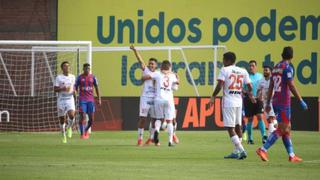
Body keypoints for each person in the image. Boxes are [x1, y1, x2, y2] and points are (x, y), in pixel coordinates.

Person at [256, 46, 308, 162]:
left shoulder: (275, 68)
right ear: (292, 56)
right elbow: (291, 85)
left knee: (286, 129)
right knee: (282, 128)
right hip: (284, 102)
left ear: (281, 55)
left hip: (275, 101)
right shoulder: (288, 68)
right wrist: (300, 100)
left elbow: (270, 86)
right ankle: (263, 149)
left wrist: (269, 101)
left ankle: (291, 155)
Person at [210, 52, 255, 159]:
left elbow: (220, 85)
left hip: (229, 102)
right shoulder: (242, 71)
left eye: (224, 59)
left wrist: (213, 96)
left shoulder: (225, 70)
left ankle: (241, 150)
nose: (222, 62)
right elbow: (250, 86)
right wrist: (249, 94)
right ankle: (236, 152)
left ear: (228, 60)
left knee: (230, 128)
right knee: (238, 126)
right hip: (239, 102)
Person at [143, 60, 179, 147]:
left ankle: (157, 131)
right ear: (169, 67)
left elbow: (146, 77)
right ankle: (170, 141)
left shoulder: (157, 73)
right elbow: (177, 83)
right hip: (169, 100)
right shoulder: (172, 75)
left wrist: (147, 78)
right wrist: (174, 76)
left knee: (158, 119)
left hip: (158, 99)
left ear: (161, 67)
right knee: (169, 121)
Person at [130, 45, 158, 146]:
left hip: (155, 99)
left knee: (154, 120)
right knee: (143, 119)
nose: (150, 65)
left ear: (156, 66)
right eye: (149, 63)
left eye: (152, 64)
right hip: (145, 98)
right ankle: (140, 139)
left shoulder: (159, 74)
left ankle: (151, 138)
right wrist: (135, 50)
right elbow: (140, 60)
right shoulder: (145, 70)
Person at [75, 63, 101, 139]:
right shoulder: (79, 78)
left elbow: (97, 87)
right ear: (83, 69)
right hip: (82, 100)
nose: (87, 70)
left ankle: (86, 130)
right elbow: (75, 87)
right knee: (82, 117)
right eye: (86, 68)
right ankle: (82, 134)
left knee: (92, 120)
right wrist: (75, 94)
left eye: (89, 69)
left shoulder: (93, 77)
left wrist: (99, 98)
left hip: (90, 100)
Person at [243, 60, 267, 144]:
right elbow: (243, 89)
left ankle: (264, 137)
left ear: (256, 67)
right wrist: (250, 96)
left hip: (258, 99)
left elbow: (264, 87)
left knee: (260, 116)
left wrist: (261, 95)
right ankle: (250, 139)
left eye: (253, 65)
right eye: (250, 66)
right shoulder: (246, 77)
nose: (251, 67)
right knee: (250, 119)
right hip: (248, 99)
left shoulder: (260, 76)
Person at [54, 61, 76, 143]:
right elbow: (55, 89)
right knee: (62, 120)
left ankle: (69, 127)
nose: (67, 68)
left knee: (72, 116)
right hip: (61, 100)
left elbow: (73, 87)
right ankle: (63, 133)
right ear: (62, 68)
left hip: (70, 99)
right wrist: (62, 89)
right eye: (65, 66)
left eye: (68, 66)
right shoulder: (59, 78)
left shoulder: (73, 77)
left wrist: (74, 92)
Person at [257, 65, 277, 136]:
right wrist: (258, 96)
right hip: (265, 101)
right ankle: (276, 130)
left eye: (266, 70)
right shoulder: (261, 80)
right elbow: (258, 90)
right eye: (264, 70)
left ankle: (270, 135)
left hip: (272, 101)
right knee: (269, 119)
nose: (264, 71)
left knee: (271, 118)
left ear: (270, 72)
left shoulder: (273, 80)